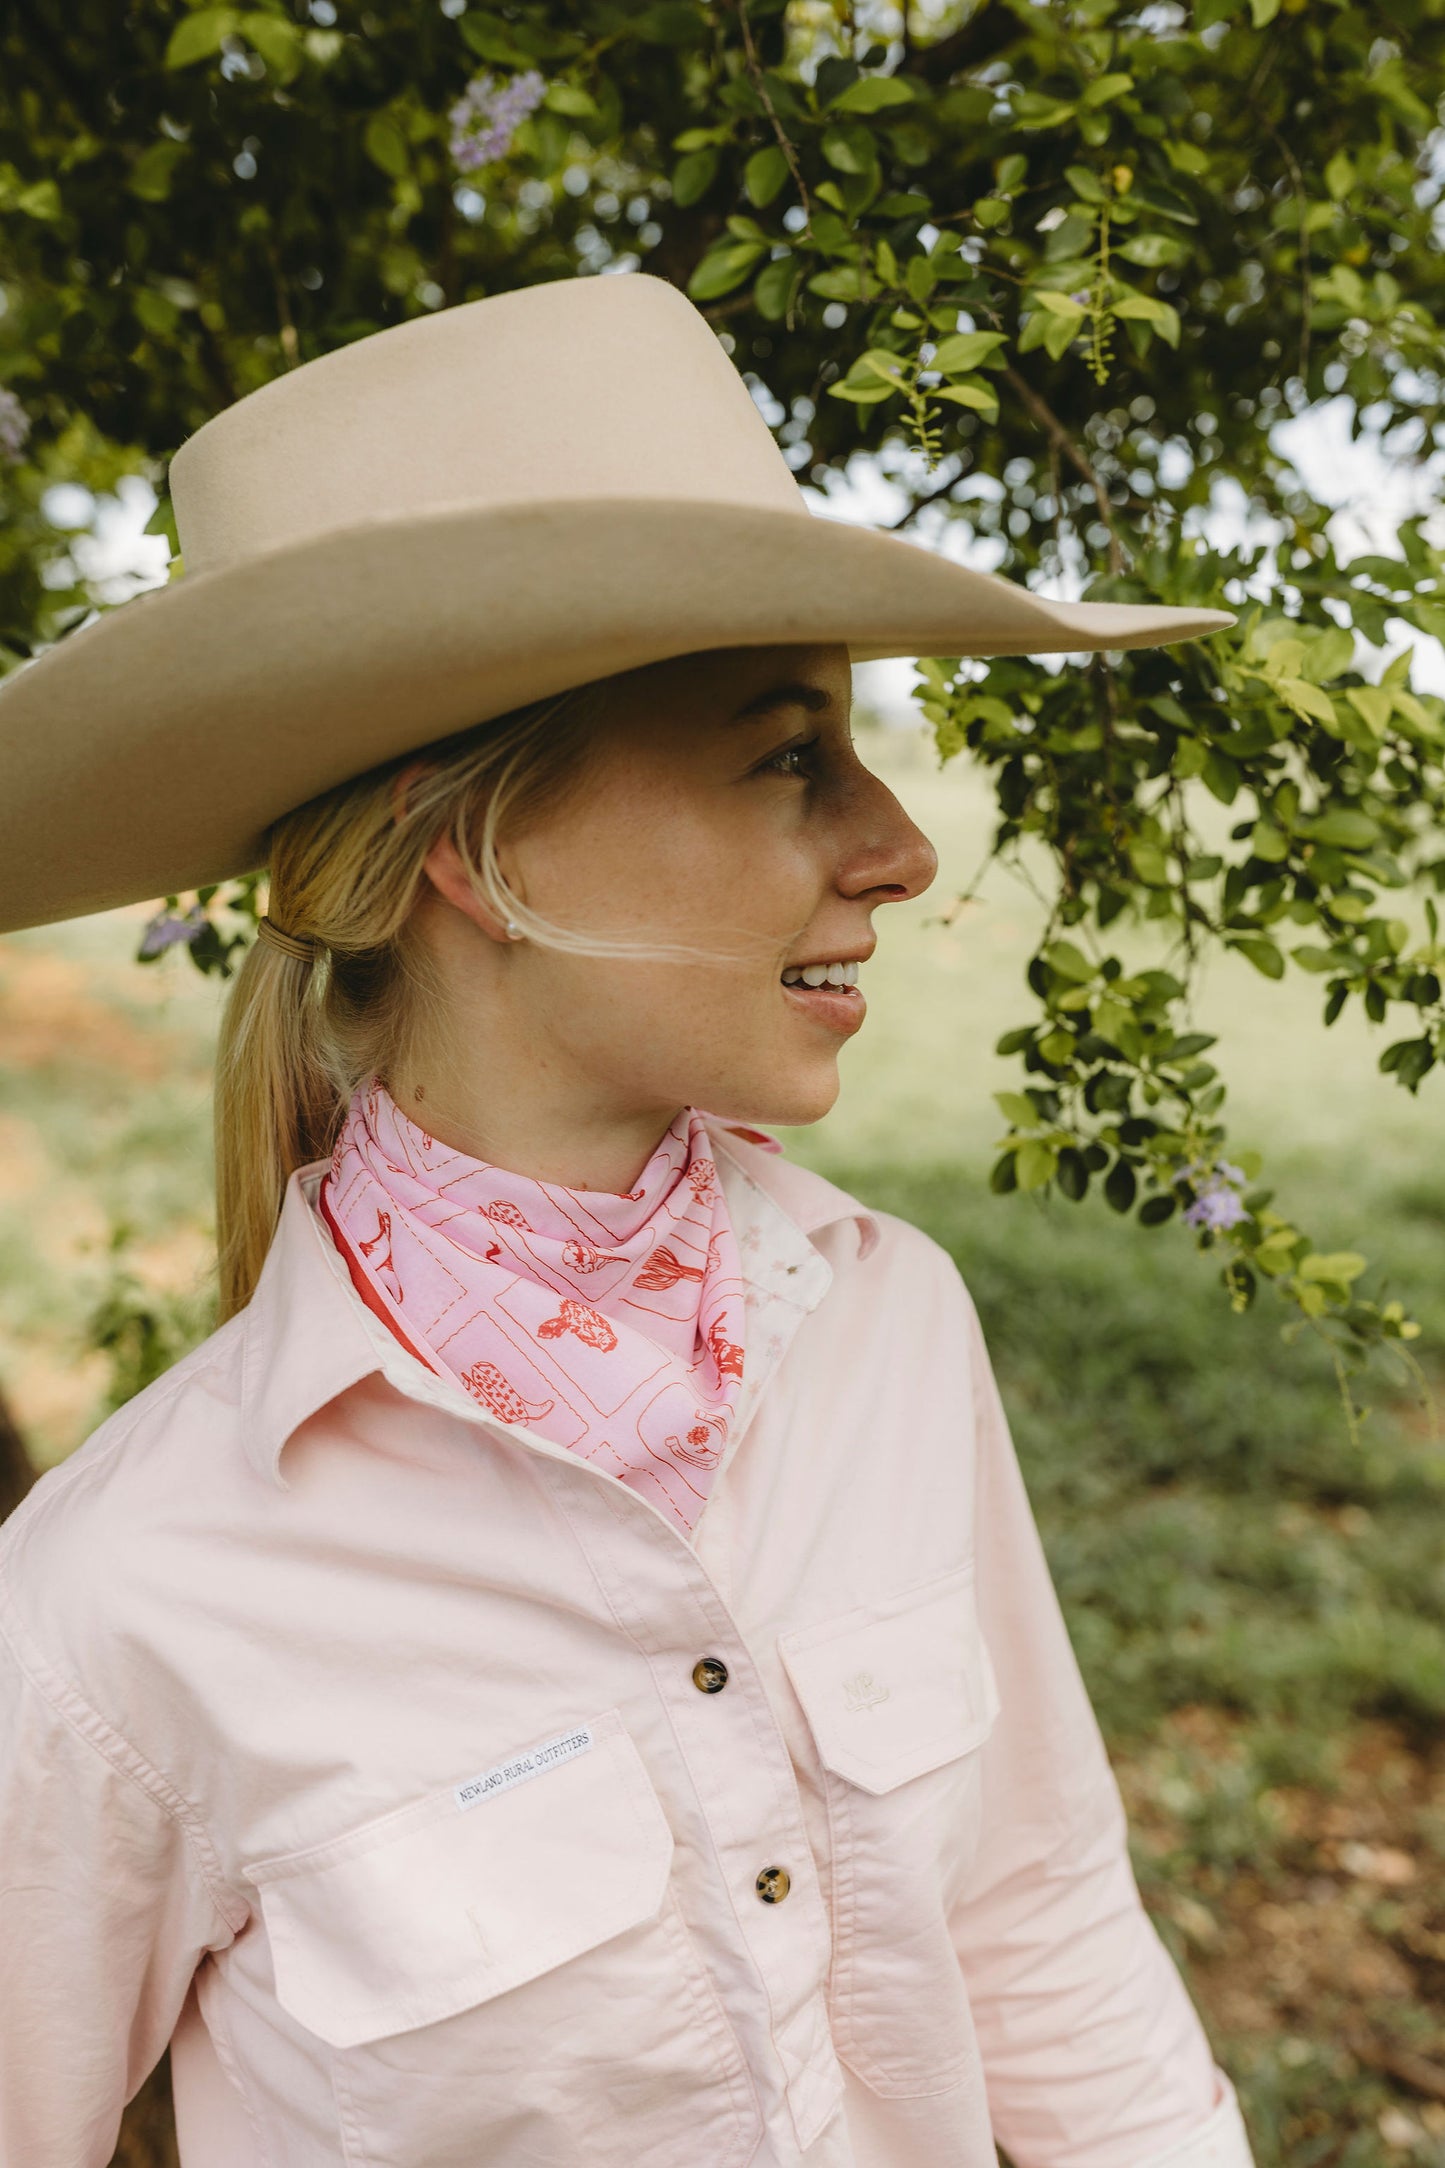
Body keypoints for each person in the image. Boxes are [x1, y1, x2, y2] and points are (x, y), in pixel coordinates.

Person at [0, 274, 1249, 2168]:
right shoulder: (119, 1607)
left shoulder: (889, 1324)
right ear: (470, 853)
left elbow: (1040, 1922)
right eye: (784, 754)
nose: (898, 848)